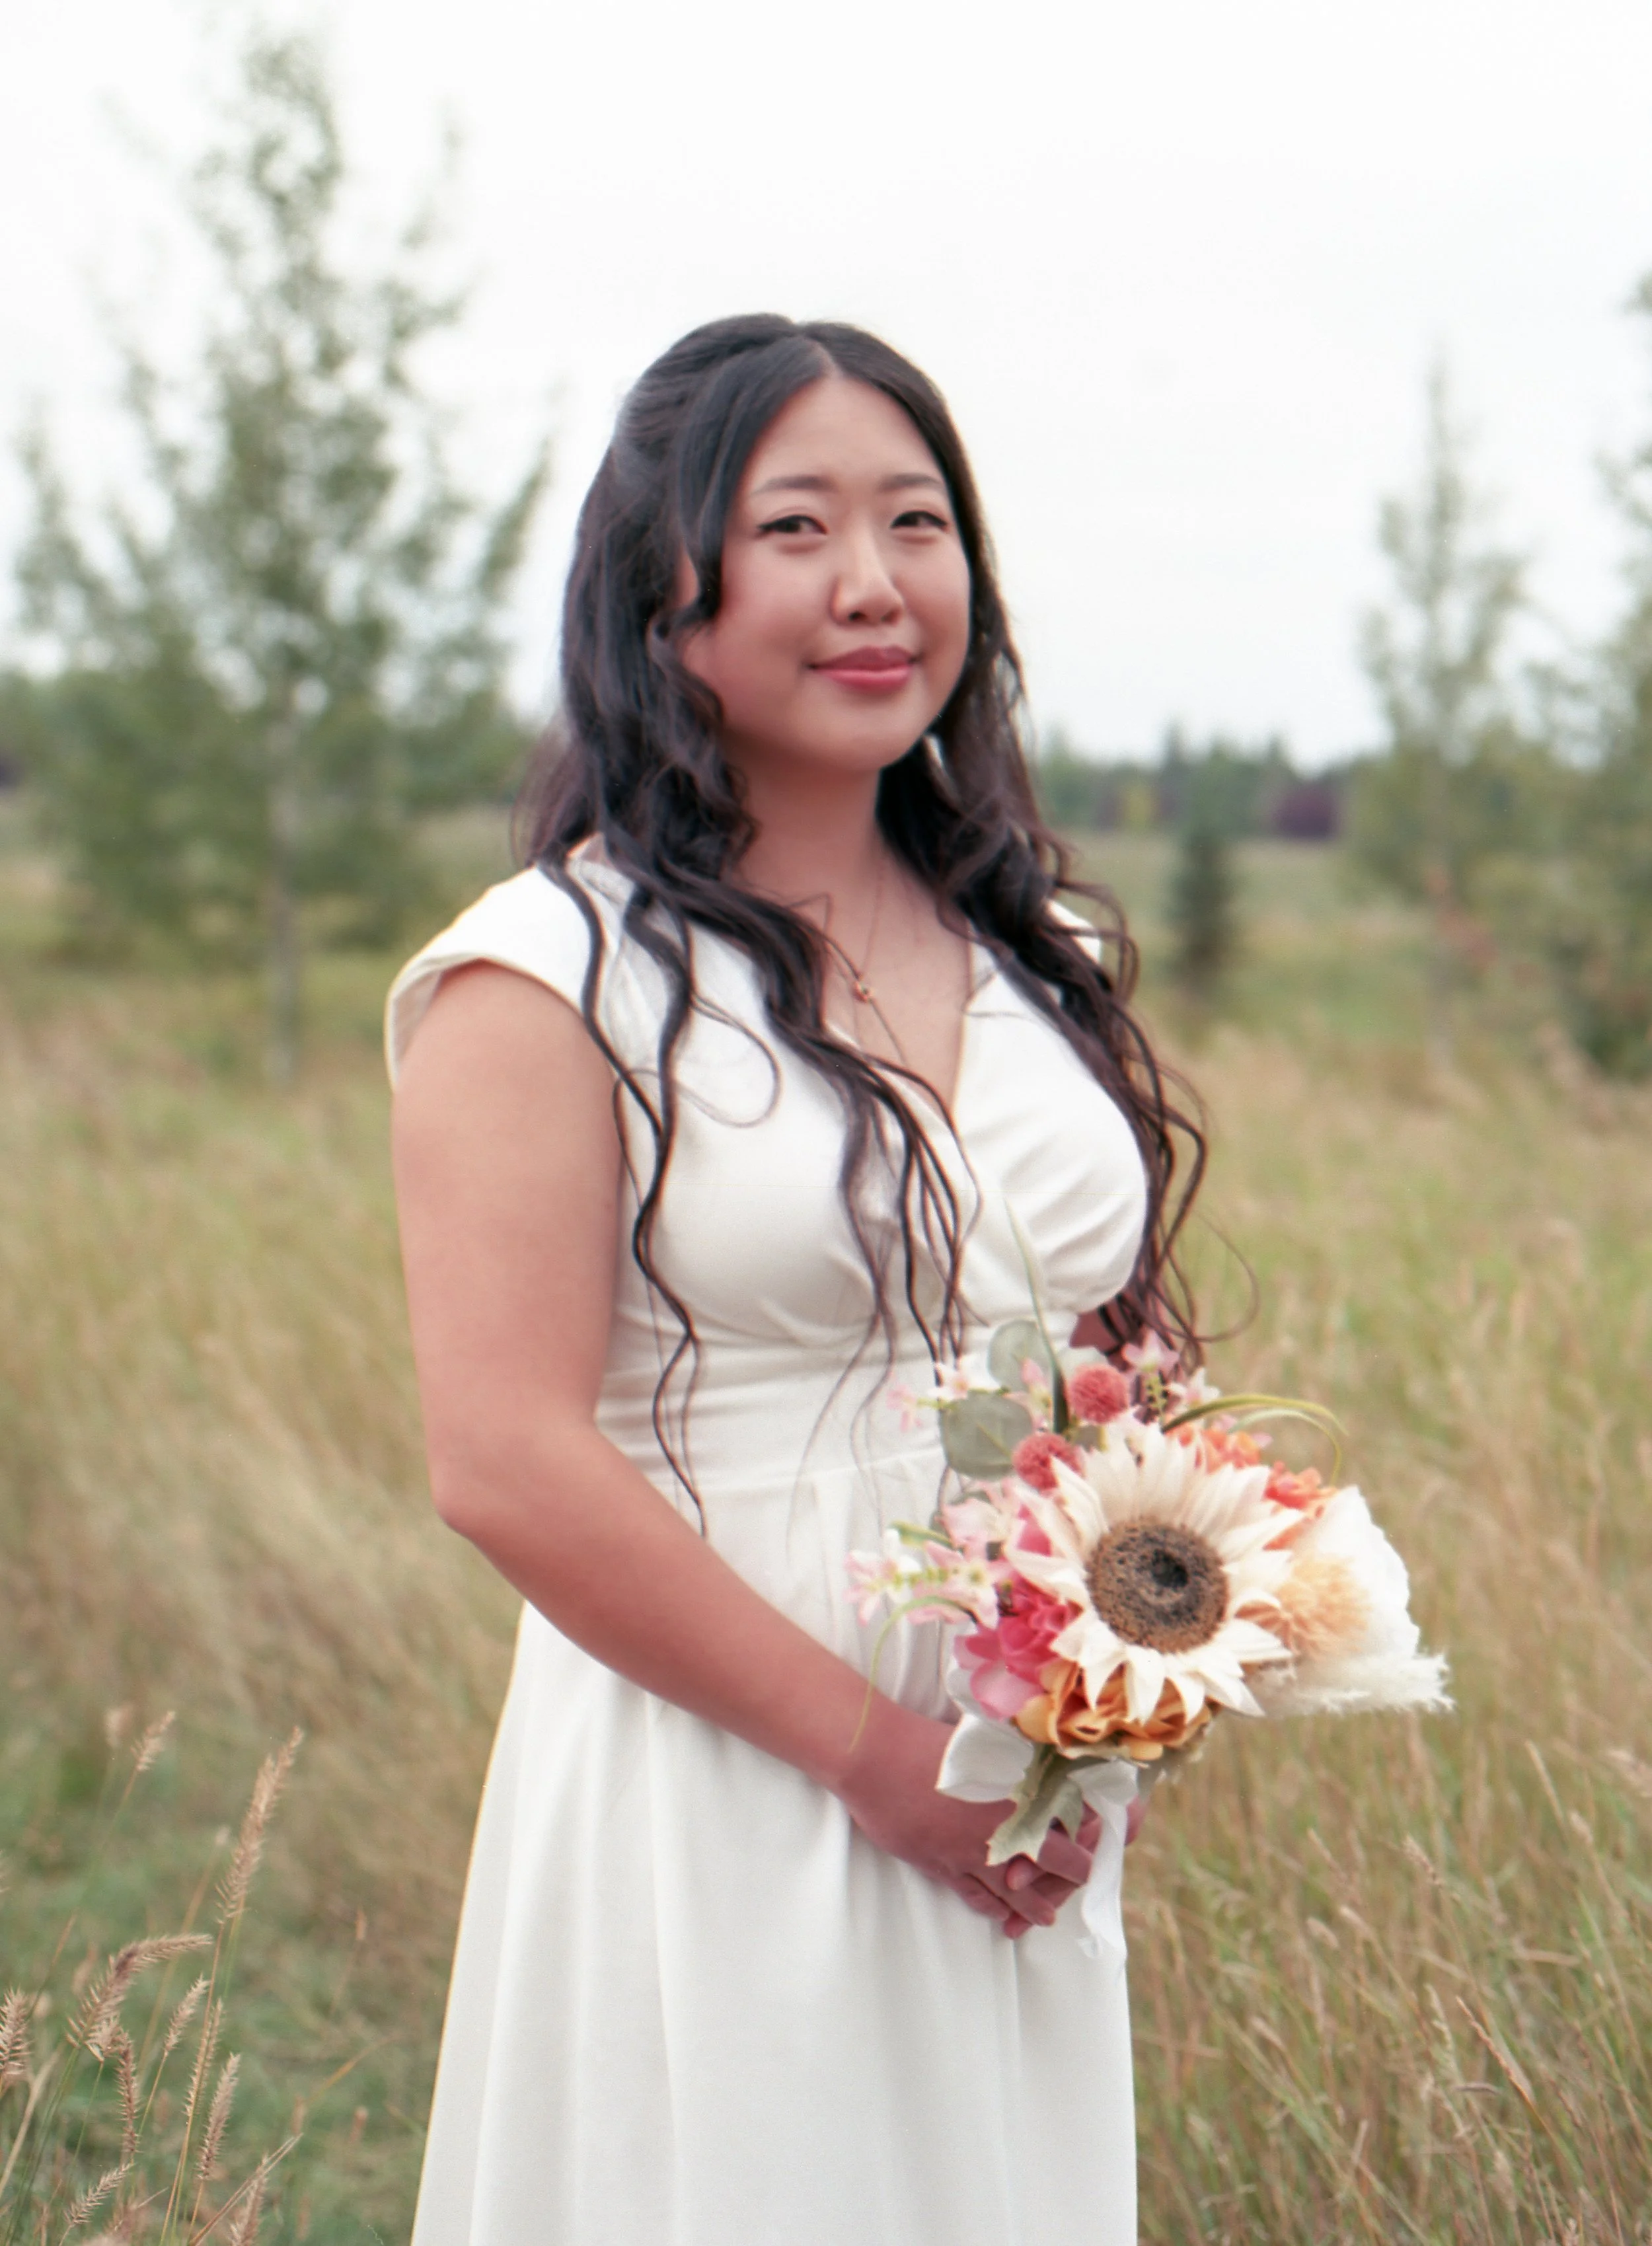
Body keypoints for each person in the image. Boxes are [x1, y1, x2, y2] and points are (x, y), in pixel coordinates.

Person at [387, 314, 1204, 2246]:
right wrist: (874, 1757)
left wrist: (1129, 1669)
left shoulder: (1037, 937)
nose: (873, 585)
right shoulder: (545, 978)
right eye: (798, 527)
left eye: (917, 523)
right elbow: (500, 1456)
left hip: (1015, 1761)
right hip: (731, 1750)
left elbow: (1100, 1345)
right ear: (664, 593)